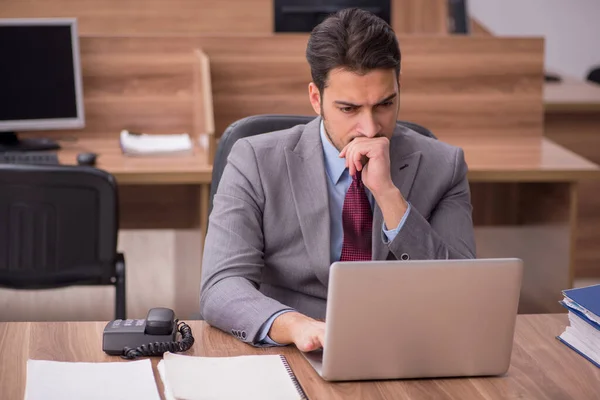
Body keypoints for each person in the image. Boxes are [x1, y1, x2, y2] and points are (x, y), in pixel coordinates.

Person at [200, 8, 476, 352]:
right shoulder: (254, 160)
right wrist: (296, 325)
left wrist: (389, 196)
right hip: (294, 346)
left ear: (399, 89)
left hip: (402, 344)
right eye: (349, 109)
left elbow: (462, 292)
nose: (370, 128)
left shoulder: (444, 165)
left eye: (385, 104)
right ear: (316, 98)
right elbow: (221, 285)